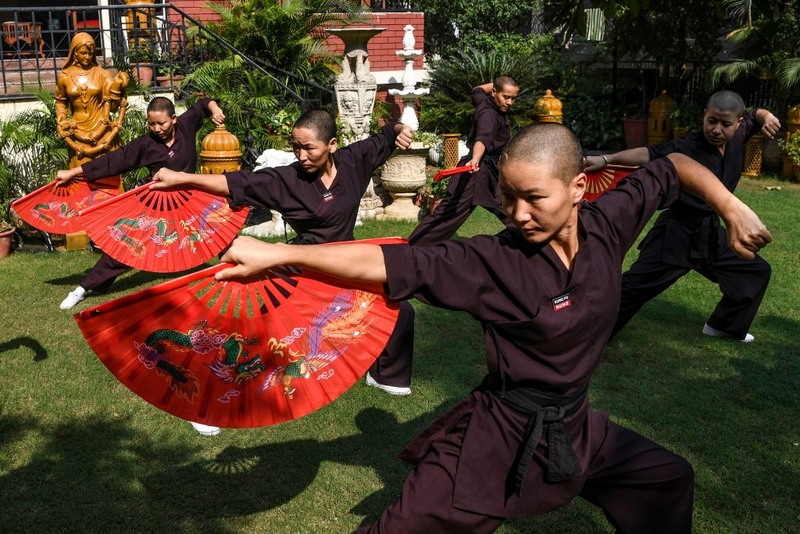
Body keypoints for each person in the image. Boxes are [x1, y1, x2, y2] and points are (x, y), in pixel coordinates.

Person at [204, 122, 771, 532]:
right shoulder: (494, 261)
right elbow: (392, 261)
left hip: (574, 426)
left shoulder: (606, 225)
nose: (518, 214)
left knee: (666, 481)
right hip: (498, 439)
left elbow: (670, 168)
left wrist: (730, 205)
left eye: (535, 198)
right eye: (508, 197)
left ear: (578, 191)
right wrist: (283, 257)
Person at [151, 109, 417, 398]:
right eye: (296, 146)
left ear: (332, 145)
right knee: (270, 335)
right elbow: (236, 183)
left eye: (309, 148)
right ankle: (222, 392)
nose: (301, 155)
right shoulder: (287, 180)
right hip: (300, 269)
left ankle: (384, 375)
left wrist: (399, 127)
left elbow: (385, 136)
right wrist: (181, 177)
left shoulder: (354, 161)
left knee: (401, 310)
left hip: (347, 263)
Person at [56, 96, 225, 438]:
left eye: (161, 123)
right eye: (151, 123)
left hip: (189, 204)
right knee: (124, 250)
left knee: (209, 242)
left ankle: (217, 277)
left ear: (174, 119)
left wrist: (213, 107)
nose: (156, 128)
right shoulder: (146, 145)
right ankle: (84, 288)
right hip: (158, 207)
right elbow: (113, 162)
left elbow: (202, 101)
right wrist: (74, 172)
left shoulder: (189, 123)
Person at [584, 90, 780, 342]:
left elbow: (754, 115)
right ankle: (585, 335)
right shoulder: (687, 146)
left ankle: (724, 326)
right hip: (677, 233)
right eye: (712, 121)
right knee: (633, 288)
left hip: (710, 233)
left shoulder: (741, 133)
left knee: (754, 271)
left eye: (725, 124)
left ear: (737, 123)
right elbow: (648, 154)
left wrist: (767, 116)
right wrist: (606, 158)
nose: (717, 129)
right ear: (704, 116)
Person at [408, 76, 519, 246]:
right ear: (495, 92)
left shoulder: (483, 102)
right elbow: (483, 137)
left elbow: (477, 90)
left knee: (511, 207)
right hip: (476, 170)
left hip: (485, 171)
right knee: (449, 215)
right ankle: (412, 248)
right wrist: (475, 158)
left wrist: (499, 84)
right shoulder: (489, 114)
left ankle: (531, 243)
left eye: (513, 98)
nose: (510, 102)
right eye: (506, 97)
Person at [55, 32, 130, 168]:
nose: (87, 57)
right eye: (83, 53)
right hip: (77, 132)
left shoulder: (103, 74)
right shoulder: (64, 77)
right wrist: (61, 117)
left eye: (90, 53)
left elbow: (112, 108)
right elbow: (60, 101)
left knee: (107, 174)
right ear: (74, 53)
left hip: (102, 131)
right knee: (80, 176)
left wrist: (118, 85)